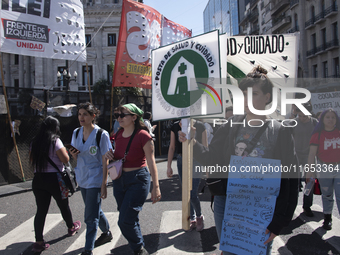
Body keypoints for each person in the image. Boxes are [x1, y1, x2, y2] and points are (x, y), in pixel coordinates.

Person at [180, 66, 299, 255]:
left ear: (267, 97)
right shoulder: (231, 125)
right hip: (227, 203)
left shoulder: (280, 131)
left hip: (261, 209)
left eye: (254, 94)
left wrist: (279, 222)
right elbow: (212, 159)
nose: (246, 99)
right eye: (243, 94)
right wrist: (191, 142)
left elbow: (292, 179)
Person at [105, 103, 161, 255]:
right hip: (119, 180)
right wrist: (110, 156)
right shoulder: (117, 135)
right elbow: (117, 157)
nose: (119, 118)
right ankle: (138, 246)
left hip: (138, 179)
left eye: (123, 115)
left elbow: (151, 162)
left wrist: (155, 186)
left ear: (134, 117)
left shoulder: (143, 135)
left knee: (124, 221)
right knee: (129, 217)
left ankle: (139, 249)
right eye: (117, 115)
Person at [30, 116, 81, 253]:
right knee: (63, 205)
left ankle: (39, 241)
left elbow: (31, 159)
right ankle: (71, 227)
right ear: (55, 127)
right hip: (55, 179)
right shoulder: (55, 141)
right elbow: (65, 159)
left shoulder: (34, 142)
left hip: (38, 179)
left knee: (41, 210)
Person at [69, 102, 113, 255]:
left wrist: (104, 184)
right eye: (79, 114)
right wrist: (73, 155)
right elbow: (76, 157)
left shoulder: (102, 134)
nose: (81, 117)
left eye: (85, 114)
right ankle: (107, 232)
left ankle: (88, 249)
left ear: (93, 116)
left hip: (95, 178)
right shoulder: (76, 133)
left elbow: (105, 159)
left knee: (90, 216)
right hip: (82, 177)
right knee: (94, 209)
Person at [167, 119, 208, 231]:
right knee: (186, 191)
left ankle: (199, 216)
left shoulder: (200, 125)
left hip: (197, 159)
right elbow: (172, 147)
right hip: (181, 159)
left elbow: (205, 147)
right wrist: (169, 166)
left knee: (192, 192)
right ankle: (192, 217)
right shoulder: (175, 126)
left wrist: (207, 166)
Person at [306, 108, 340, 230]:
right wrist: (309, 171)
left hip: (338, 168)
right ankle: (327, 219)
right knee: (327, 195)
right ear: (322, 119)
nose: (330, 119)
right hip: (324, 168)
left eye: (333, 117)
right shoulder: (317, 134)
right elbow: (311, 154)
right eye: (328, 117)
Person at [292, 103, 318, 217]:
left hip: (310, 156)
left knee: (310, 182)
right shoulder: (293, 123)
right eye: (300, 116)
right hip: (295, 155)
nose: (302, 118)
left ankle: (307, 206)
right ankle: (291, 205)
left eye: (304, 116)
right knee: (294, 183)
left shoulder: (315, 123)